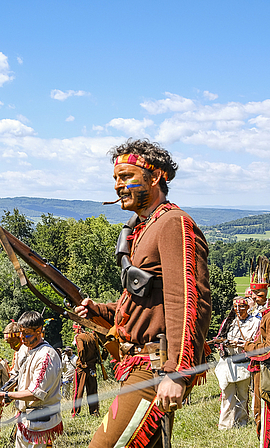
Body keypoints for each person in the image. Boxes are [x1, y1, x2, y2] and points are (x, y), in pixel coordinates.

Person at [75, 139, 211, 448]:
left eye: (125, 176)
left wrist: (177, 372)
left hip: (155, 368)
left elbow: (189, 301)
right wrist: (99, 310)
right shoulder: (143, 227)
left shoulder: (172, 223)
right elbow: (145, 304)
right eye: (115, 179)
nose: (117, 185)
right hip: (138, 365)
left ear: (155, 177)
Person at [0, 311, 63, 448]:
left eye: (26, 333)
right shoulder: (26, 349)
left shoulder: (46, 356)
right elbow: (18, 377)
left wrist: (6, 395)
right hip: (27, 420)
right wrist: (6, 396)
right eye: (21, 332)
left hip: (40, 422)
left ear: (39, 331)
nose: (22, 337)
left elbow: (35, 394)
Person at [214, 297, 260, 429]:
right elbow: (219, 338)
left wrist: (242, 344)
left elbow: (256, 341)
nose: (239, 310)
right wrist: (222, 343)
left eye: (242, 307)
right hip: (228, 363)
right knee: (227, 395)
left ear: (247, 307)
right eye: (236, 307)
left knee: (242, 395)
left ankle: (241, 423)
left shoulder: (255, 322)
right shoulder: (229, 322)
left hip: (244, 363)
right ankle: (225, 425)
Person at [247, 255, 270, 438]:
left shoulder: (268, 316)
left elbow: (268, 348)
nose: (254, 297)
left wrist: (248, 347)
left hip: (265, 372)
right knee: (258, 410)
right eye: (253, 294)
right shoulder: (261, 313)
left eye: (258, 295)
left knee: (263, 412)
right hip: (259, 370)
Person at [72, 323, 102, 416]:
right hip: (92, 367)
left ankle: (75, 412)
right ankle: (94, 411)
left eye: (74, 329)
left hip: (83, 368)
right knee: (92, 390)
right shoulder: (93, 336)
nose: (74, 331)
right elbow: (104, 347)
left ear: (78, 328)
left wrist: (82, 361)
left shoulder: (79, 337)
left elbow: (81, 350)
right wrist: (101, 359)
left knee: (78, 390)